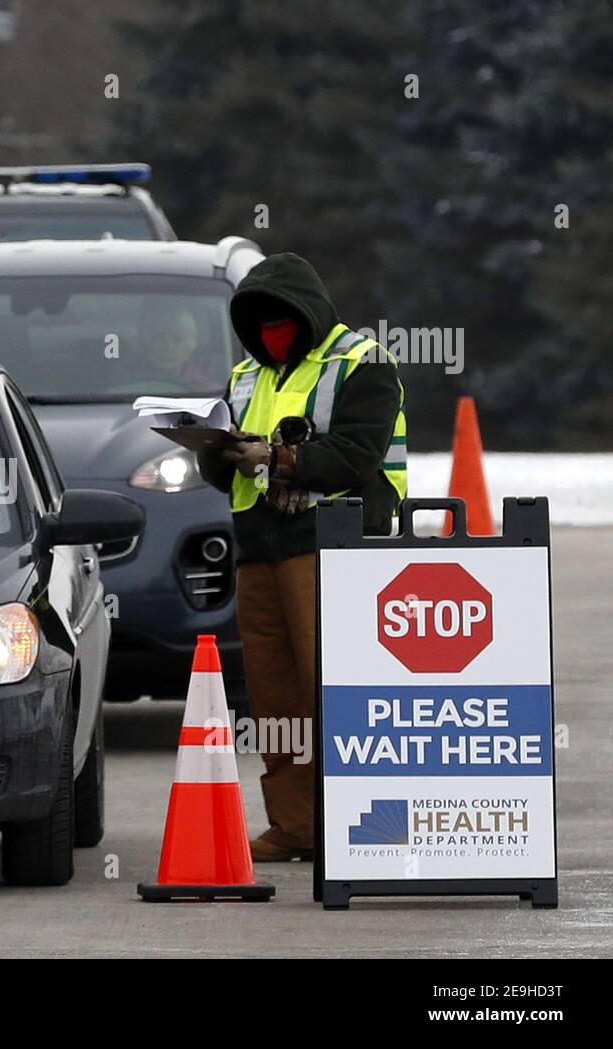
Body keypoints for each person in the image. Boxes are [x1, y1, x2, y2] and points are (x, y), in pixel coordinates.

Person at [197, 252, 407, 862]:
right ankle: (294, 827)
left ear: (307, 314)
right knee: (274, 697)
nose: (271, 332)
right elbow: (227, 471)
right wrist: (214, 450)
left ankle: (358, 825)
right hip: (258, 549)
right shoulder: (244, 377)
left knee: (333, 691)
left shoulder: (362, 364)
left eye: (280, 320)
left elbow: (355, 456)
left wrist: (279, 459)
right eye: (259, 323)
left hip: (330, 548)